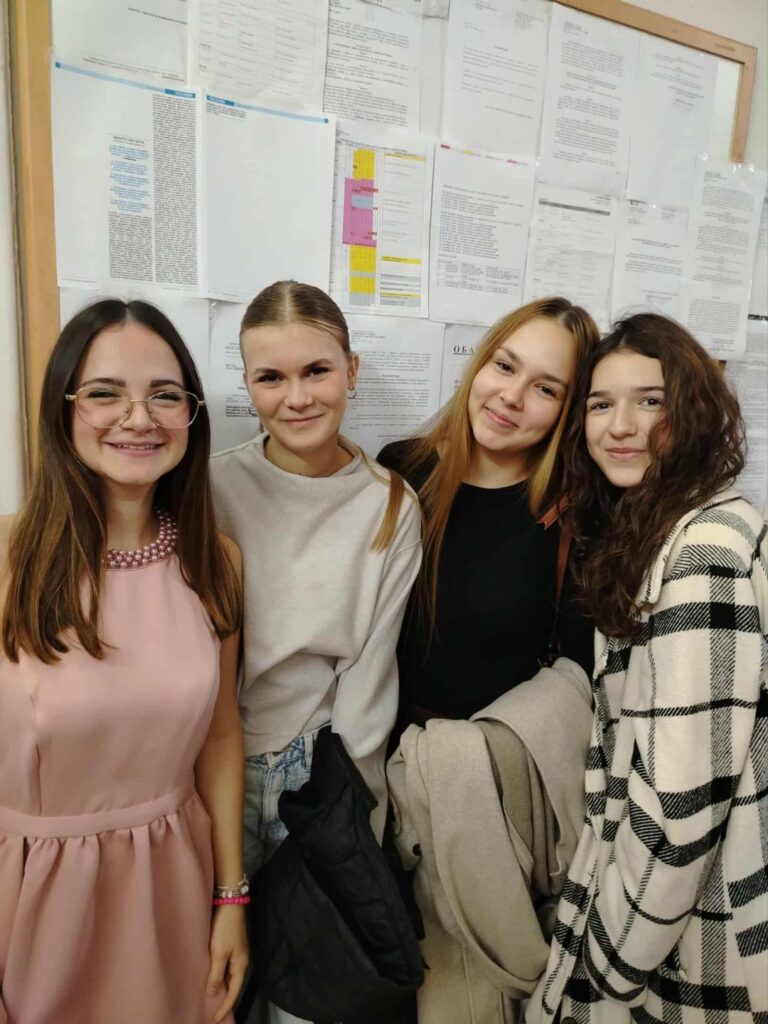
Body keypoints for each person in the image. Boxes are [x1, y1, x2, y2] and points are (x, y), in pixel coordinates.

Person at [0, 300, 248, 1024]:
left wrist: (231, 898)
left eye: (165, 395)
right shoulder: (8, 558)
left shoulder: (216, 562)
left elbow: (221, 737)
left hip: (172, 889)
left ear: (191, 415)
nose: (138, 419)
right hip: (27, 895)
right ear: (63, 408)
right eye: (105, 393)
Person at [528, 313, 768, 1024]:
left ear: (693, 412)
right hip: (671, 909)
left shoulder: (702, 554)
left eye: (651, 401)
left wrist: (610, 961)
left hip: (689, 934)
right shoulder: (669, 523)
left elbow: (680, 807)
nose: (621, 426)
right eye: (601, 404)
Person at [209, 280, 422, 1024]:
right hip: (212, 768)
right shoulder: (211, 487)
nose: (296, 397)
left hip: (318, 774)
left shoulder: (390, 503)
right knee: (212, 989)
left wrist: (347, 822)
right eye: (270, 377)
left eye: (316, 371)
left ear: (351, 371)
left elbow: (370, 675)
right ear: (247, 384)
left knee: (308, 1004)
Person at [378, 296, 599, 728]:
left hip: (495, 758)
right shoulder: (402, 468)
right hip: (381, 752)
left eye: (546, 389)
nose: (511, 396)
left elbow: (578, 673)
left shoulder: (575, 513)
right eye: (505, 366)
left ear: (568, 411)